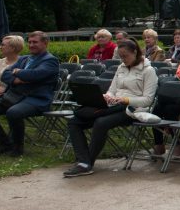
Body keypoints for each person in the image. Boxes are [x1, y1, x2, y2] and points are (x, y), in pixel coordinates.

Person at [63, 39, 157, 176]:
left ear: (135, 52)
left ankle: (85, 163)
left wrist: (124, 99)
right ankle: (84, 161)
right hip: (113, 105)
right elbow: (112, 90)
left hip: (132, 110)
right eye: (120, 56)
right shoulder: (121, 68)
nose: (123, 60)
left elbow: (148, 100)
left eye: (125, 56)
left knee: (101, 122)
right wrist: (107, 96)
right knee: (74, 121)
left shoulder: (148, 71)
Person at [0, 31, 60, 157]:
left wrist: (18, 72)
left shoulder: (50, 60)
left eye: (35, 42)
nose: (31, 45)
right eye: (29, 42)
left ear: (45, 43)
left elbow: (36, 75)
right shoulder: (25, 58)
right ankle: (4, 143)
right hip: (15, 96)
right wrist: (20, 78)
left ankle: (17, 148)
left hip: (36, 99)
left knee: (13, 112)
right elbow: (5, 74)